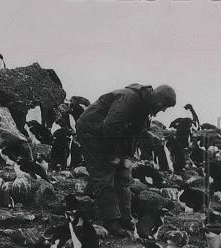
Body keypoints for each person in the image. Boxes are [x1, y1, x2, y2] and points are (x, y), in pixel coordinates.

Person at [75, 83, 177, 237]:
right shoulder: (129, 99)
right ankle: (111, 221)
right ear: (159, 100)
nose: (163, 110)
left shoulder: (144, 106)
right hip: (92, 130)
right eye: (165, 107)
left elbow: (134, 134)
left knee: (123, 173)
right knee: (104, 172)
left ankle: (125, 218)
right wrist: (112, 156)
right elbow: (110, 127)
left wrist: (126, 156)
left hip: (110, 135)